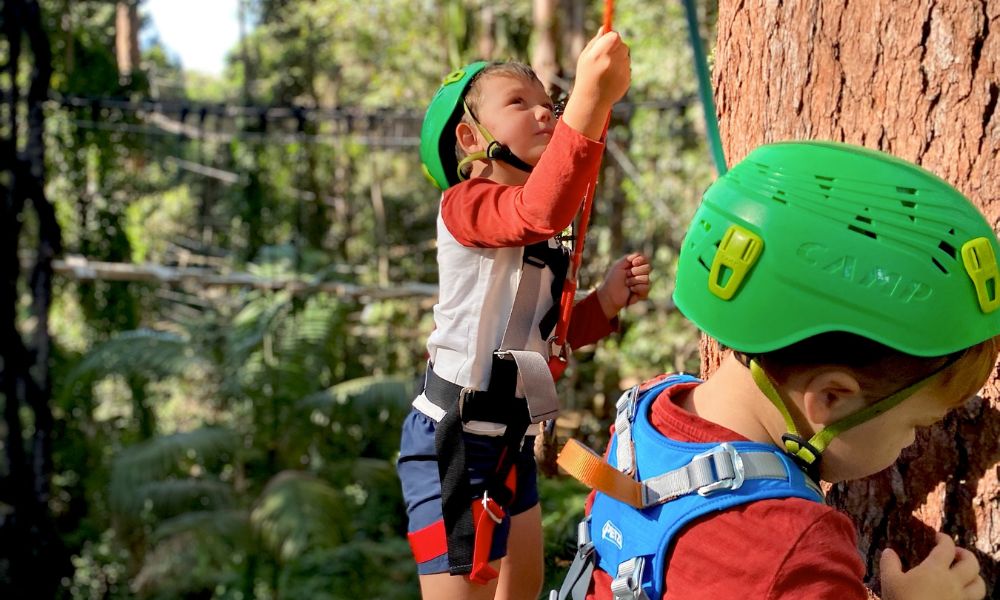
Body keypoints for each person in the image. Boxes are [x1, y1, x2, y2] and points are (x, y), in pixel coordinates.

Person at [554, 141, 999, 600]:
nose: (912, 443)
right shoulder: (795, 550)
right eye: (915, 425)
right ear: (830, 398)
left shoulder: (648, 408)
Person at [398, 29, 645, 600]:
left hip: (508, 439)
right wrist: (590, 99)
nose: (542, 112)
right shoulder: (466, 205)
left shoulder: (541, 235)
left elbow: (546, 339)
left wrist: (603, 303)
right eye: (519, 103)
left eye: (548, 103)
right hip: (454, 443)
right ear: (470, 138)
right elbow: (539, 209)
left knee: (526, 589)